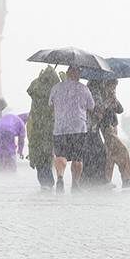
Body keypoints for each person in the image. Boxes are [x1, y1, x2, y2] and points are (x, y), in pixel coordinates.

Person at [48, 65, 95, 193]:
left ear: (67, 73)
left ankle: (60, 177)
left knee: (60, 156)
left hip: (60, 128)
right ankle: (75, 184)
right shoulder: (84, 89)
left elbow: (50, 105)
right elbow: (91, 107)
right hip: (78, 127)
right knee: (77, 158)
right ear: (78, 75)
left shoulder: (56, 88)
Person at [27, 67, 61, 189]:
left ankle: (44, 182)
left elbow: (30, 90)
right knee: (47, 154)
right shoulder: (55, 88)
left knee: (38, 154)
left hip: (36, 126)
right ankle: (48, 182)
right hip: (50, 126)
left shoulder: (35, 85)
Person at [100, 79, 130, 188]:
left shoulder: (112, 97)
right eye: (112, 86)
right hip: (107, 127)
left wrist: (114, 100)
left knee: (110, 155)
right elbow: (100, 110)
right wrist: (108, 102)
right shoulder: (102, 96)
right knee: (122, 150)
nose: (113, 89)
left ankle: (109, 180)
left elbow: (120, 109)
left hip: (114, 126)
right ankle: (125, 178)